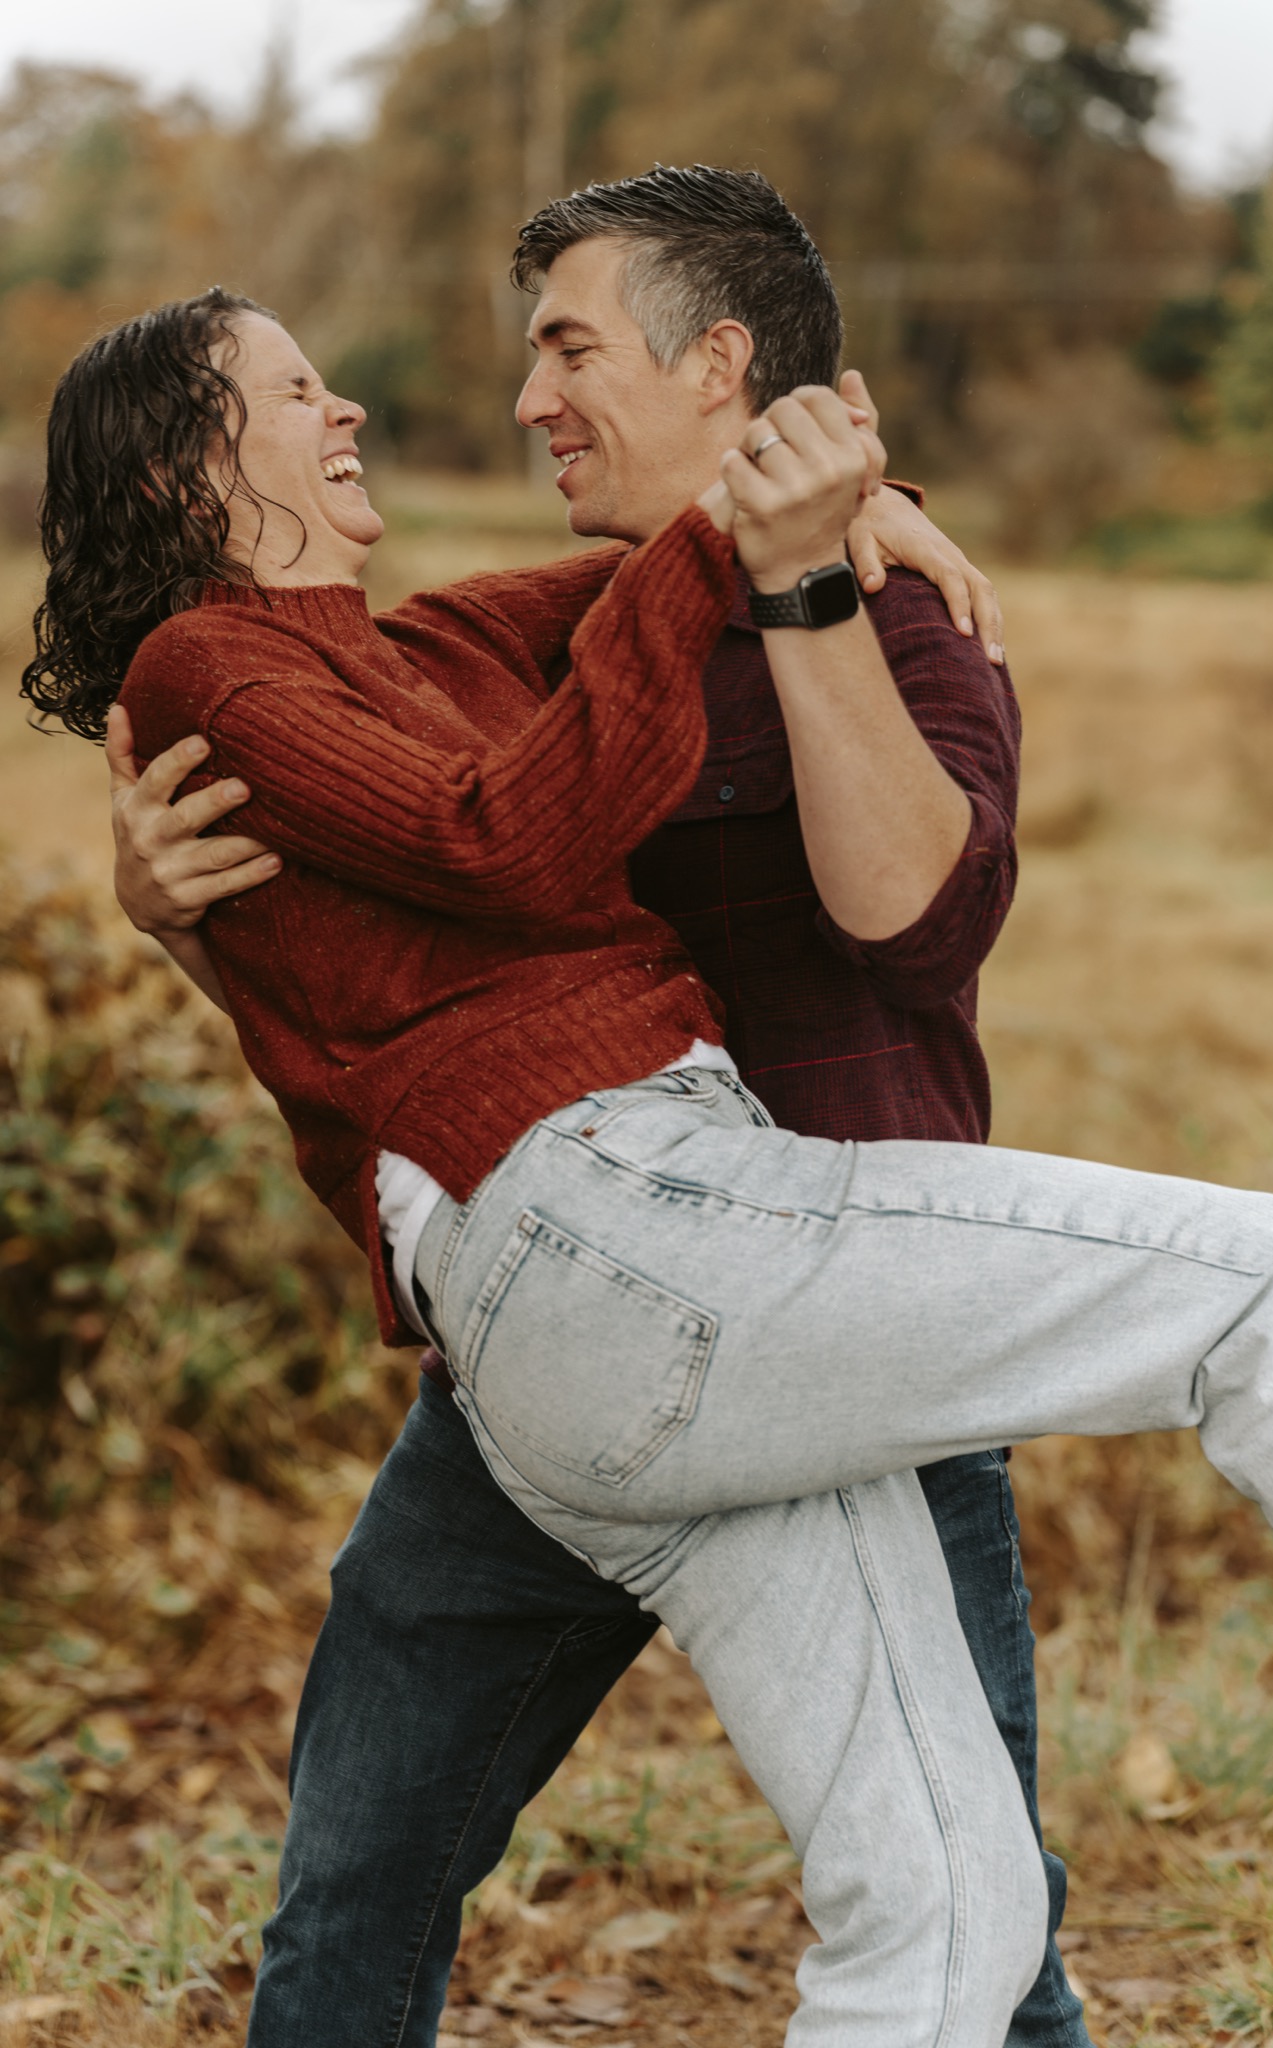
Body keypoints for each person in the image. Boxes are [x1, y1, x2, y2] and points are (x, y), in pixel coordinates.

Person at [29, 289, 1273, 2048]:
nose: (347, 402)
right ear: (189, 470)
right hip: (621, 1233)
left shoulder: (408, 655)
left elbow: (614, 596)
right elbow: (500, 836)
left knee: (947, 1900)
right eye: (295, 390)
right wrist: (746, 526)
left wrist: (820, 522)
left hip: (628, 1321)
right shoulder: (213, 665)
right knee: (1261, 1277)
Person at [109, 166, 1090, 2048]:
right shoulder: (531, 636)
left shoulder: (902, 617)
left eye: (567, 348)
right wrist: (176, 922)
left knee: (980, 1921)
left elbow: (914, 916)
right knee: (353, 1894)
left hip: (861, 1322)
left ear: (717, 362)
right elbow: (392, 948)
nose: (526, 400)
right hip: (556, 1330)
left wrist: (820, 550)